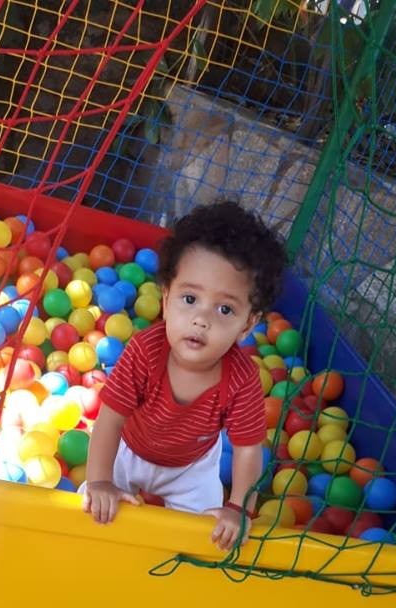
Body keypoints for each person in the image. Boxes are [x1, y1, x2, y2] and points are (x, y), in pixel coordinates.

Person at [82, 200, 287, 550]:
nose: (201, 319)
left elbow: (247, 451)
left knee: (207, 537)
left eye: (225, 309)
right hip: (128, 450)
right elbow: (110, 420)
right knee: (92, 506)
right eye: (190, 299)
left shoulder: (242, 379)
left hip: (191, 468)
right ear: (166, 299)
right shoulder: (145, 350)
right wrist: (100, 481)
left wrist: (239, 508)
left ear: (247, 324)